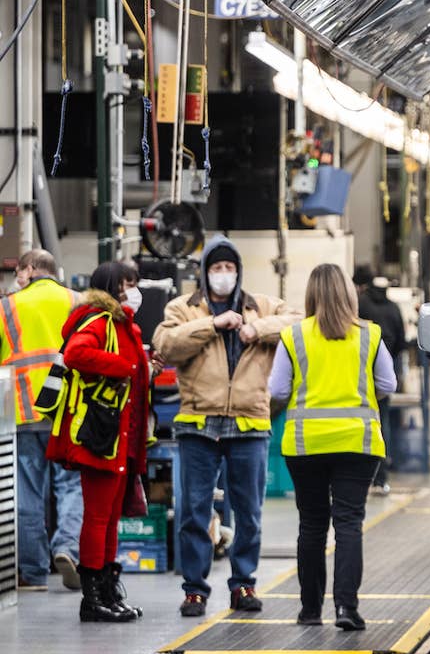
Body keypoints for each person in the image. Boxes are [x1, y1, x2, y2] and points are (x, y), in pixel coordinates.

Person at [152, 237, 299, 618]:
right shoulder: (183, 308)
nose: (223, 275)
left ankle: (244, 584)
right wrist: (211, 325)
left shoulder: (261, 306)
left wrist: (257, 328)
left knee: (249, 511)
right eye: (216, 269)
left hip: (249, 424)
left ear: (238, 272)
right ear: (205, 273)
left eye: (229, 268)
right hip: (198, 426)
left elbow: (298, 323)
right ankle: (194, 590)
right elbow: (166, 344)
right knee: (194, 511)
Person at [270, 264, 396, 630]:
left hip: (306, 445)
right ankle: (346, 608)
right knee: (348, 524)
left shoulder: (293, 336)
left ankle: (310, 611)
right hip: (358, 443)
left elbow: (277, 390)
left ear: (310, 295)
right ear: (348, 294)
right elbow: (387, 383)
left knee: (311, 525)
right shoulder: (369, 336)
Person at [46, 262, 151, 622]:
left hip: (123, 437)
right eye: (127, 284)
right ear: (110, 286)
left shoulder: (125, 325)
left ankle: (106, 589)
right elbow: (77, 353)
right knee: (98, 517)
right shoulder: (99, 321)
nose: (133, 290)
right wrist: (125, 366)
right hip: (100, 435)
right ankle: (92, 598)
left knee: (109, 519)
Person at [2, 249, 84, 591]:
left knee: (27, 491)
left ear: (31, 269)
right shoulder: (79, 301)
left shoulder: (7, 306)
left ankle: (33, 573)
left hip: (23, 410)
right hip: (68, 411)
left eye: (20, 271)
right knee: (71, 487)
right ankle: (68, 549)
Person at [355, 266, 406, 495]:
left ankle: (361, 477)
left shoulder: (360, 304)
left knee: (358, 423)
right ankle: (381, 477)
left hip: (358, 373)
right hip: (384, 373)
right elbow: (402, 341)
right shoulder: (394, 308)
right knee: (381, 424)